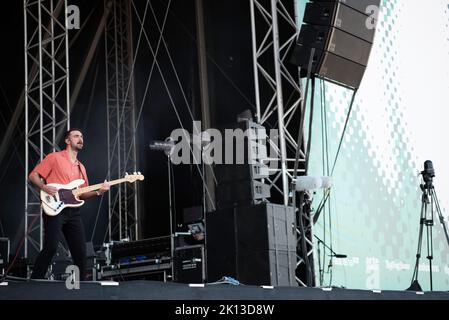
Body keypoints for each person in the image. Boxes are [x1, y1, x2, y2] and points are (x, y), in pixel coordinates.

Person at [28, 128, 110, 281]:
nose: (80, 139)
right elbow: (33, 175)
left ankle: (79, 286)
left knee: (80, 252)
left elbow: (82, 194)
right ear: (67, 140)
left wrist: (99, 192)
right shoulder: (54, 158)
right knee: (51, 246)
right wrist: (44, 187)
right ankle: (35, 281)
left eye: (82, 136)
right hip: (54, 209)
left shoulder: (81, 167)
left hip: (73, 212)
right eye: (76, 136)